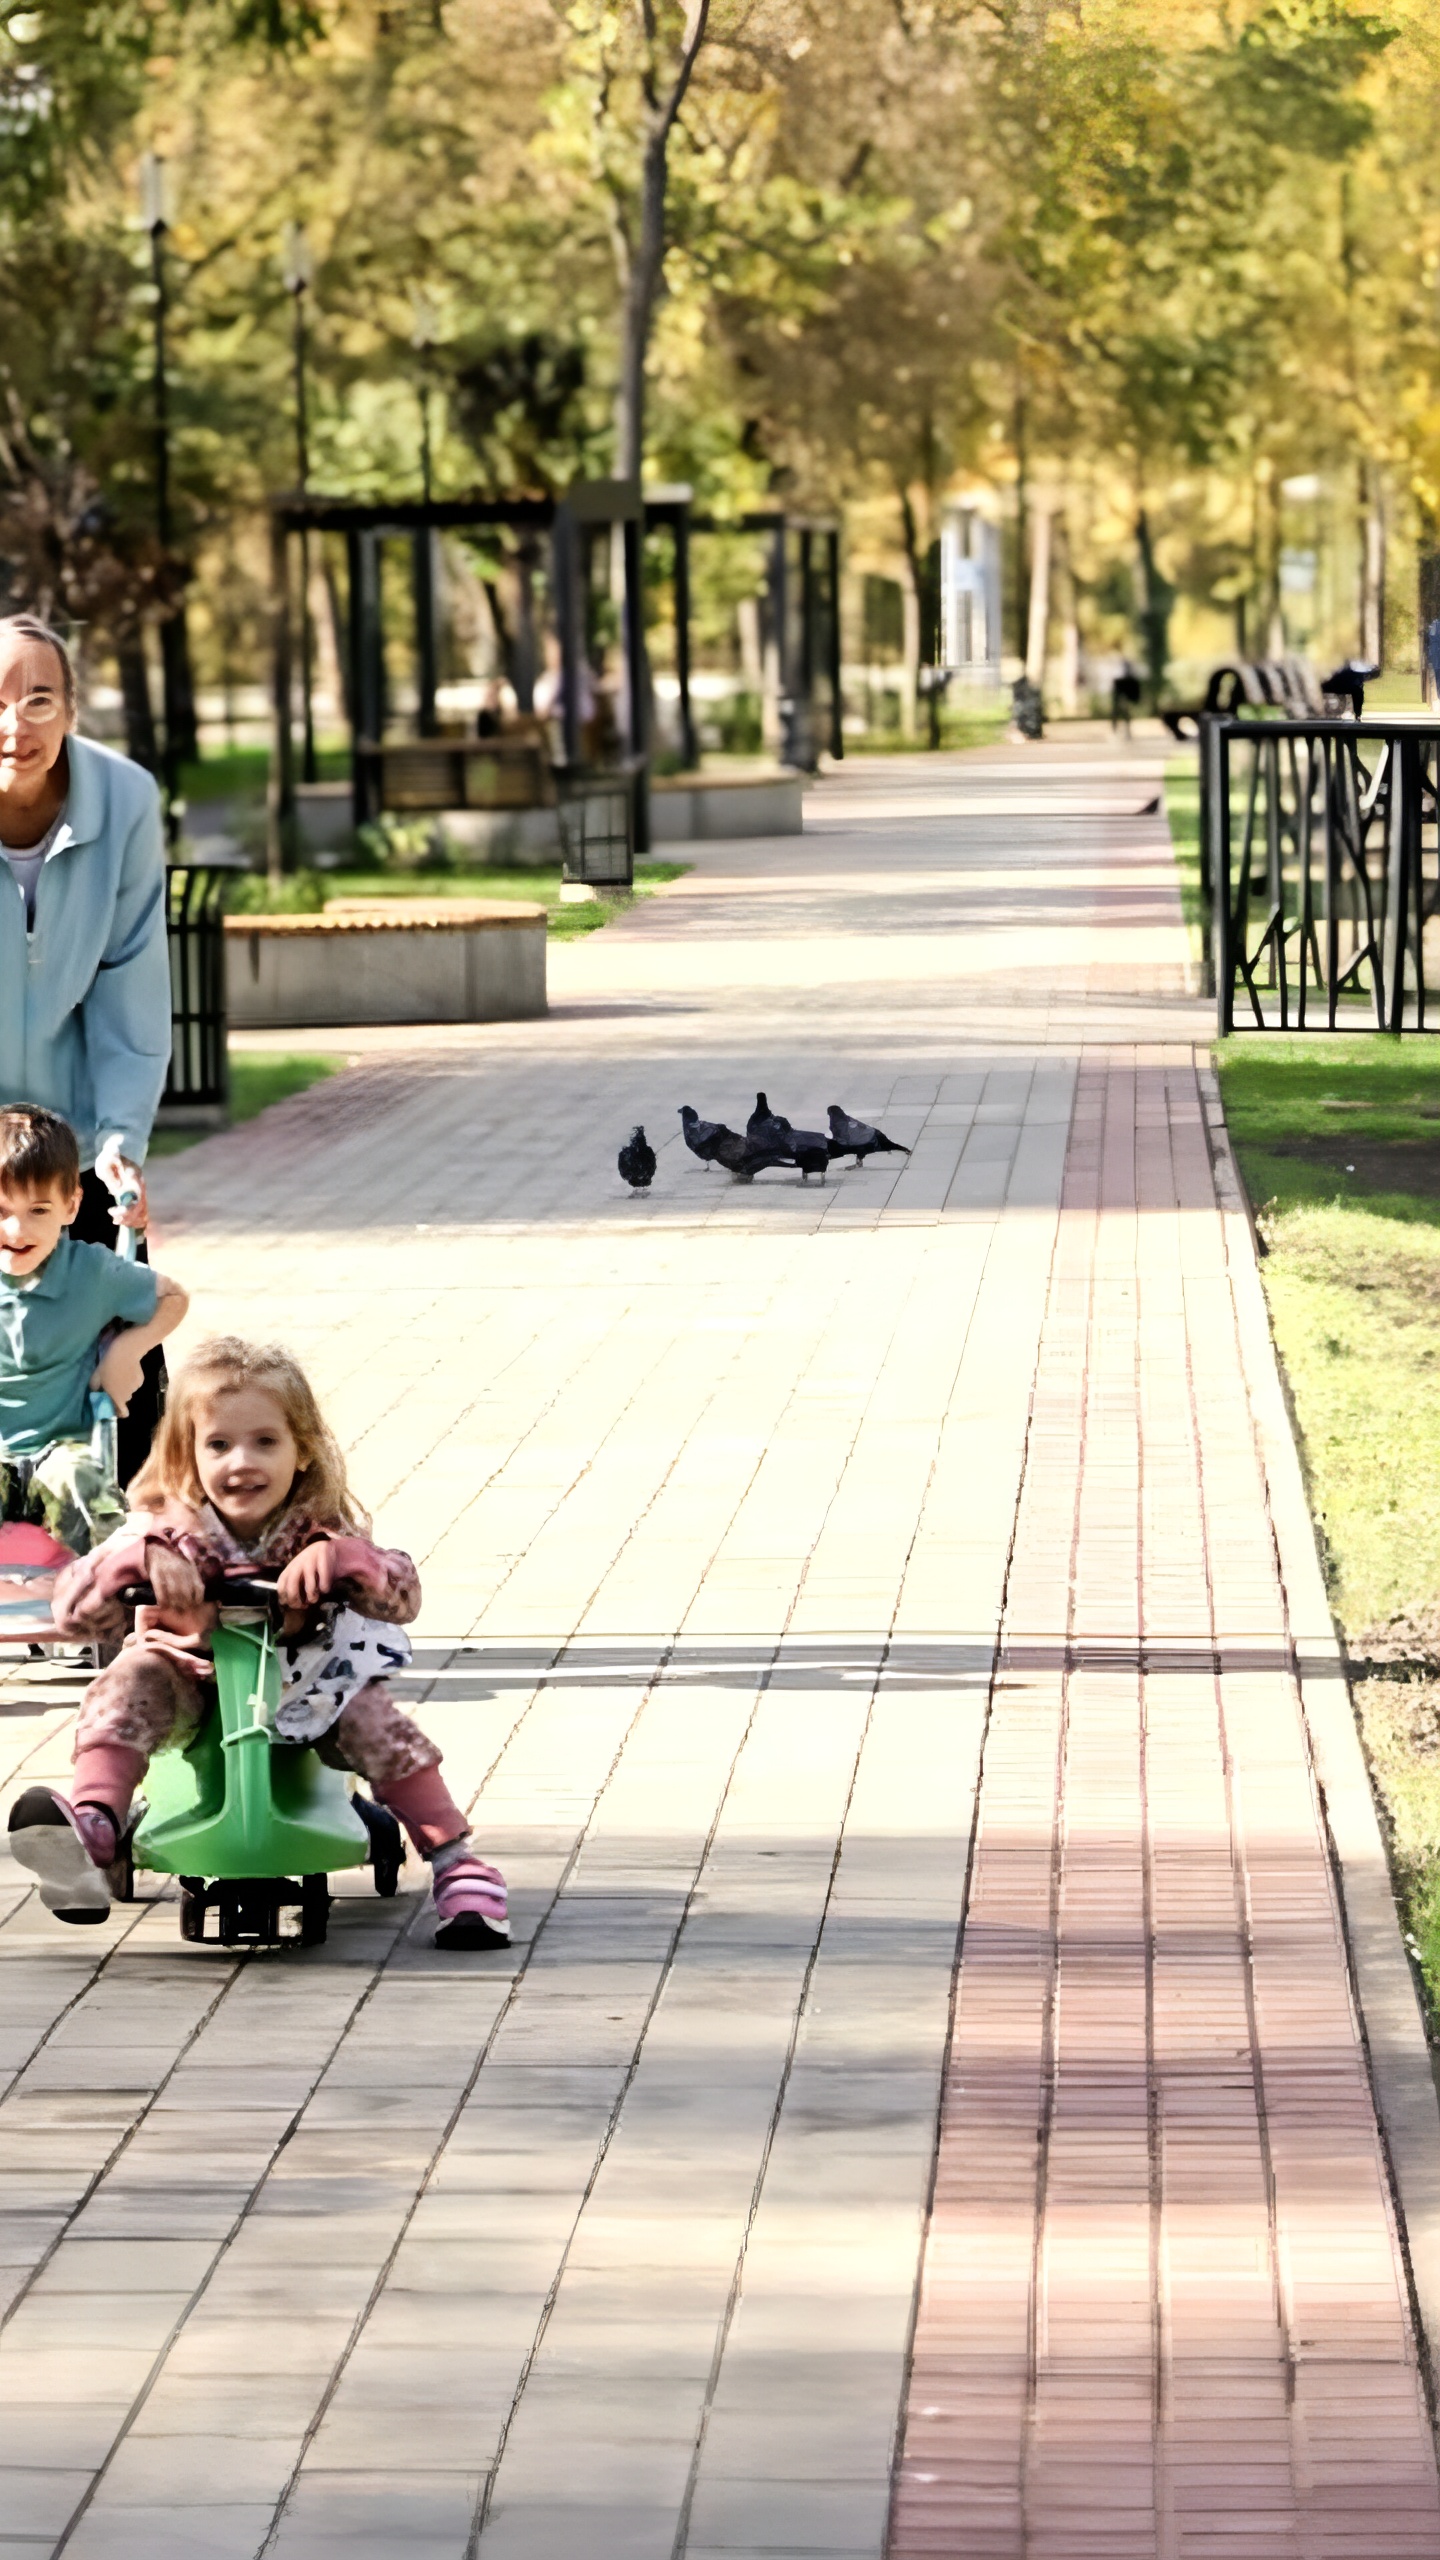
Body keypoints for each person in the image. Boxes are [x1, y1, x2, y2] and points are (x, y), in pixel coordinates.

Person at [6, 1335, 509, 1950]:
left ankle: (456, 1860)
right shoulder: (161, 1530)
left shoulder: (321, 1529)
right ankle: (94, 1826)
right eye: (218, 1444)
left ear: (302, 1451)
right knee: (126, 1683)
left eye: (265, 1441)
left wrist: (346, 1560)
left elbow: (403, 1595)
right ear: (188, 1456)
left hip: (311, 1686)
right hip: (189, 1687)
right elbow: (75, 1613)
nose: (241, 1462)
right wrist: (132, 1563)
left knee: (376, 1719)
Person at [0, 614, 174, 1476]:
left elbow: (131, 987)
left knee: (124, 1393)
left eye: (39, 699)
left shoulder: (126, 801)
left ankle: (125, 1578)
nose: (15, 724)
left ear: (71, 708)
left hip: (68, 1144)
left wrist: (119, 1148)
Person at [0, 1105, 188, 1553]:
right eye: (2, 1209)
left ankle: (102, 1591)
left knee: (86, 1489)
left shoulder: (91, 1271)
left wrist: (126, 1350)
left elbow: (172, 1298)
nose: (16, 1229)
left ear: (71, 1206)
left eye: (38, 1209)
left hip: (63, 1449)